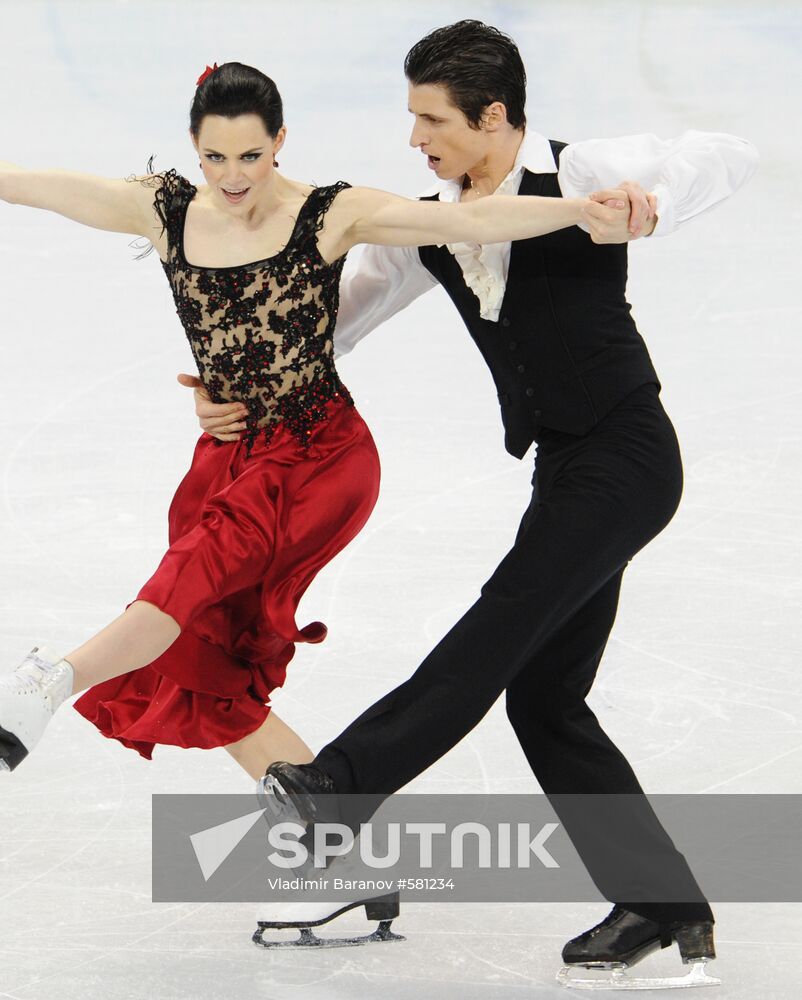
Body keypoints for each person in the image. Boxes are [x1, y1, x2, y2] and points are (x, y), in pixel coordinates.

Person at [0, 64, 615, 801]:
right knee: (205, 661)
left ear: (279, 143)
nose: (233, 177)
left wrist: (578, 210)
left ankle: (38, 692)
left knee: (191, 578)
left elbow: (462, 217)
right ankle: (342, 853)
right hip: (229, 455)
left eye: (251, 156)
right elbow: (23, 186)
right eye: (215, 158)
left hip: (319, 458)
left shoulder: (330, 213)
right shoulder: (162, 209)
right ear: (194, 147)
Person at [188, 24, 757, 986]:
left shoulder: (583, 167)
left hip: (627, 455)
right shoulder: (436, 222)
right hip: (566, 470)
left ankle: (341, 785)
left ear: (494, 118)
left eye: (431, 119)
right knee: (545, 698)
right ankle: (663, 903)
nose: (416, 139)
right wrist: (239, 383)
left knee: (499, 626)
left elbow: (727, 154)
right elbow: (340, 318)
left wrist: (649, 207)